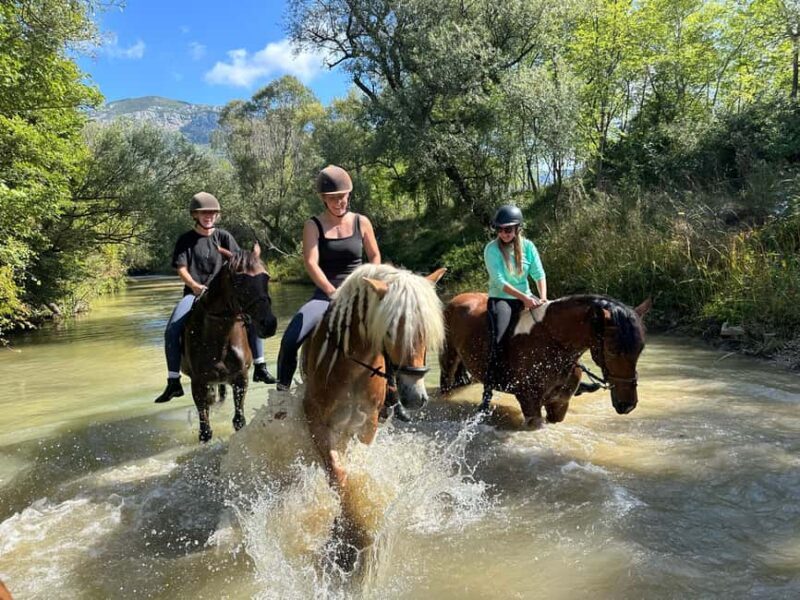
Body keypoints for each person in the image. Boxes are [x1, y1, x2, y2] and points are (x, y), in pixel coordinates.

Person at [153, 192, 275, 404]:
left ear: (217, 215)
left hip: (224, 295)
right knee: (172, 328)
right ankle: (173, 381)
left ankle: (260, 365)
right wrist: (195, 286)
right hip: (195, 294)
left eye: (212, 213)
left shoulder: (224, 237)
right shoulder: (186, 240)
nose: (209, 216)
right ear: (195, 215)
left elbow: (239, 262)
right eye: (204, 213)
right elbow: (181, 268)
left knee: (251, 317)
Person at [276, 165, 381, 391]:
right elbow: (311, 262)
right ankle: (281, 393)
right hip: (326, 295)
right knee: (290, 340)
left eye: (342, 196)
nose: (339, 202)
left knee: (392, 330)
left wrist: (371, 283)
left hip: (360, 292)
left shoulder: (361, 222)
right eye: (333, 198)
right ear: (323, 198)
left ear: (349, 195)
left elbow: (374, 256)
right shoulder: (313, 225)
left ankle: (393, 394)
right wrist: (332, 292)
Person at [480, 204, 547, 413]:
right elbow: (499, 281)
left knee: (554, 330)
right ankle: (488, 391)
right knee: (499, 338)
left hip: (528, 297)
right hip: (502, 299)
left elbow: (538, 274)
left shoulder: (528, 246)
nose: (504, 233)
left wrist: (543, 298)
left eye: (508, 229)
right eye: (500, 229)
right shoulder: (491, 249)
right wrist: (525, 299)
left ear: (518, 228)